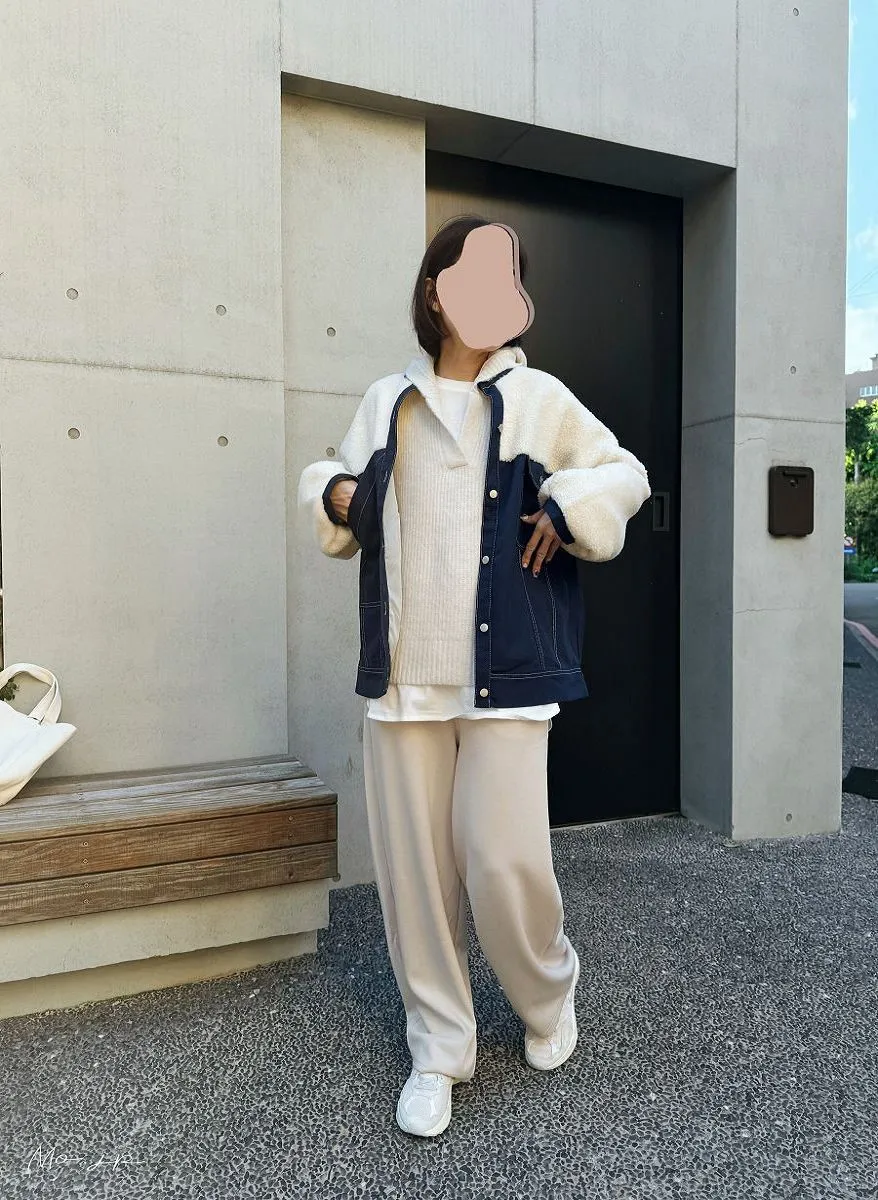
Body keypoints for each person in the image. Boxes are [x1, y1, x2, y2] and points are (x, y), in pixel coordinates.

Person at [298, 215, 650, 1137]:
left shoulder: (538, 398)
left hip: (511, 672)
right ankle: (438, 1047)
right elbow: (333, 482)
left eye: (511, 278)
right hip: (404, 678)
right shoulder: (388, 399)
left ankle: (548, 993)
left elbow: (623, 472)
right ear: (435, 290)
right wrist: (333, 491)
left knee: (503, 862)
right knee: (416, 879)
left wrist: (569, 505)